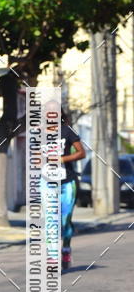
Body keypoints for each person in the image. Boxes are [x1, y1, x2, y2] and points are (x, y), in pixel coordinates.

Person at [59, 112, 86, 270]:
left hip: (67, 182)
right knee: (50, 221)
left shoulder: (67, 131)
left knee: (65, 220)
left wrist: (62, 159)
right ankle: (51, 257)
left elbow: (82, 153)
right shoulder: (39, 133)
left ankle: (66, 249)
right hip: (47, 183)